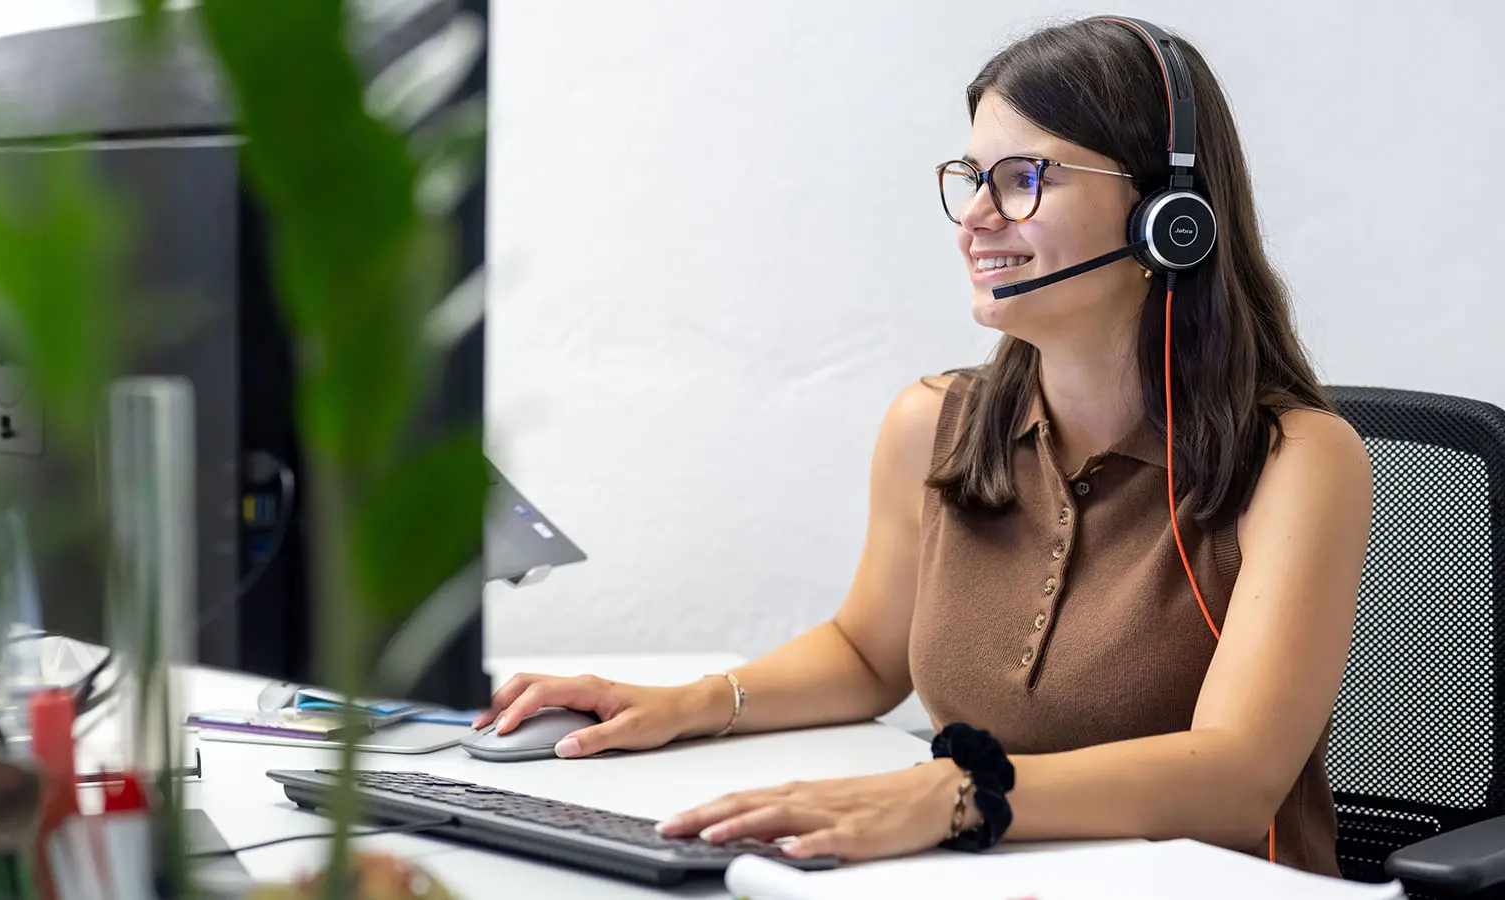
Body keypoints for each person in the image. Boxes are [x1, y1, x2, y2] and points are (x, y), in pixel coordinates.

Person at [473, 17, 1372, 876]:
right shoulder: (935, 426)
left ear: (1169, 216)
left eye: (1024, 178)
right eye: (971, 177)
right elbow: (867, 655)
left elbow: (1237, 778)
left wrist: (951, 794)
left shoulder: (1297, 461)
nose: (975, 217)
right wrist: (685, 704)